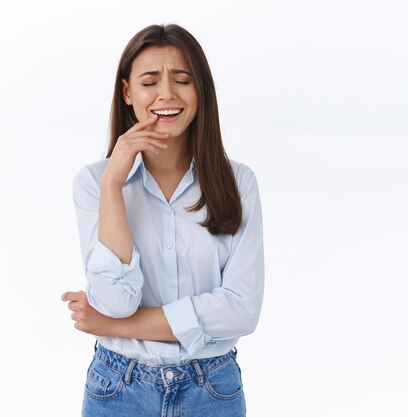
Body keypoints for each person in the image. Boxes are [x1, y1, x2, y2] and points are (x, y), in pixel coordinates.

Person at [61, 23, 264, 417]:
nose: (167, 94)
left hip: (213, 388)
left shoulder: (239, 183)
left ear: (200, 91)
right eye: (150, 81)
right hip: (118, 388)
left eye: (182, 80)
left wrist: (115, 327)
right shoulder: (94, 183)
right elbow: (115, 301)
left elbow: (241, 310)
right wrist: (113, 185)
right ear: (127, 93)